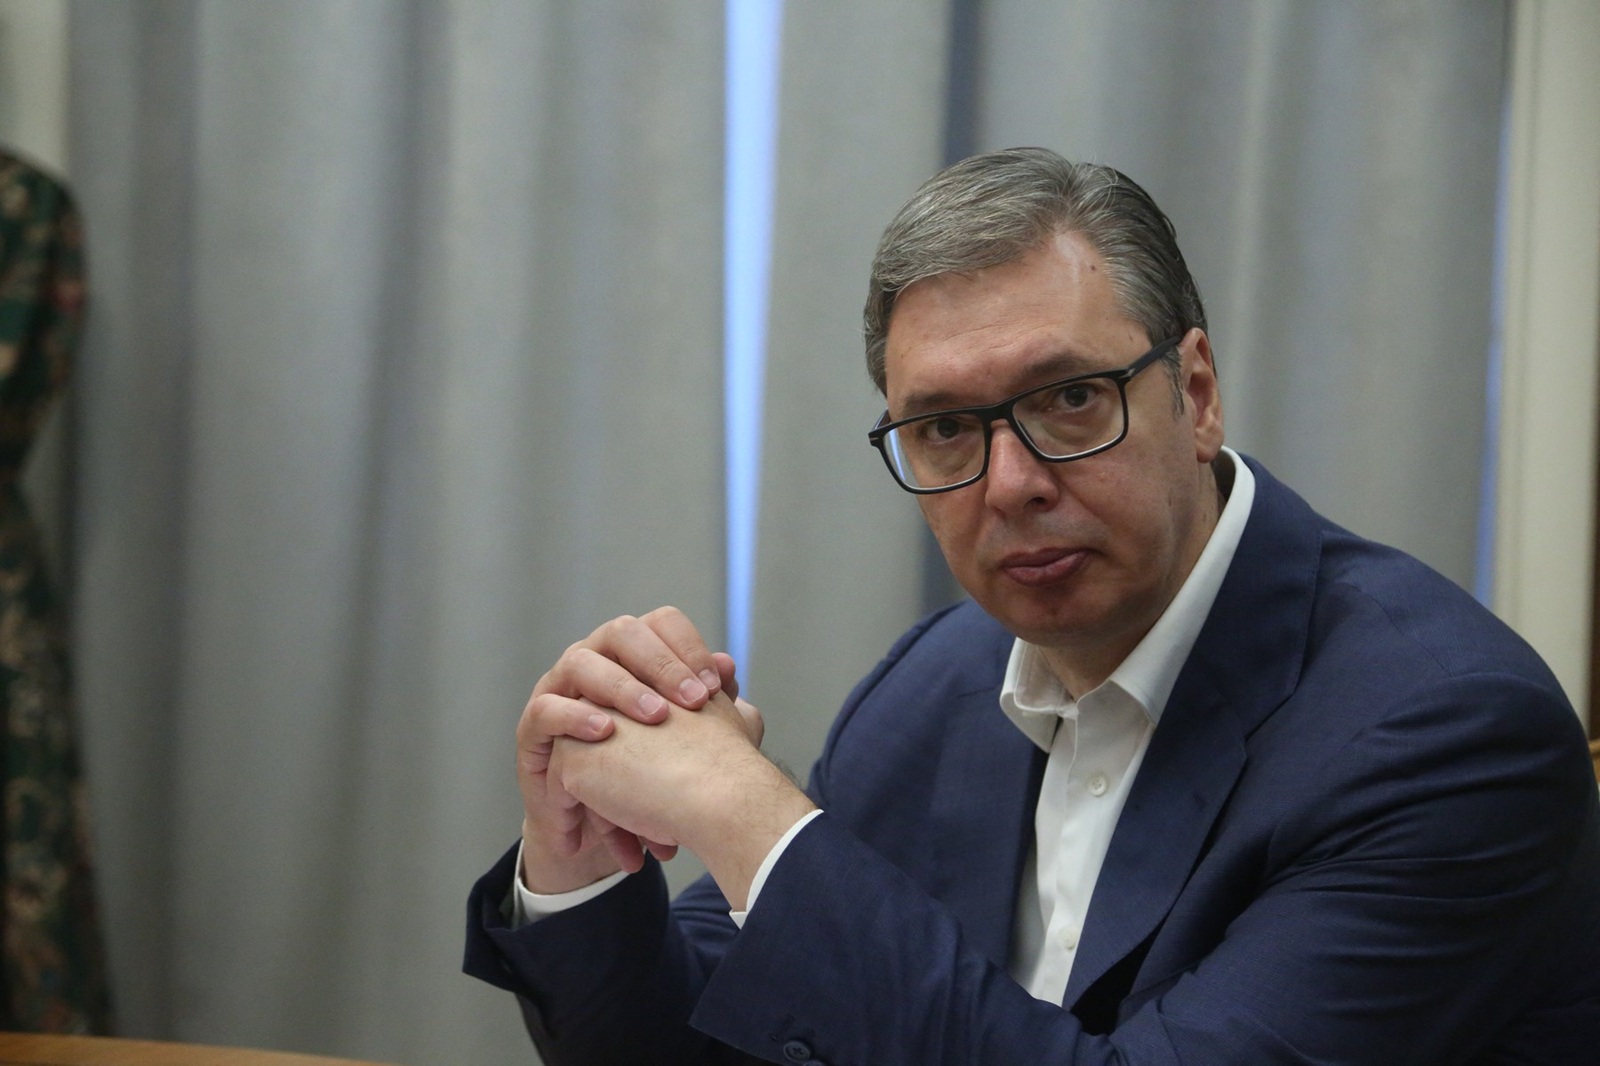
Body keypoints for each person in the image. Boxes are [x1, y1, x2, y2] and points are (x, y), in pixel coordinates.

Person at [464, 148, 1600, 1064]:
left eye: (1067, 399)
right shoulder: (937, 683)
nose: (1009, 483)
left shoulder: (1444, 731)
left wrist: (746, 815)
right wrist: (582, 860)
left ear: (1195, 394)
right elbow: (705, 1037)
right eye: (945, 428)